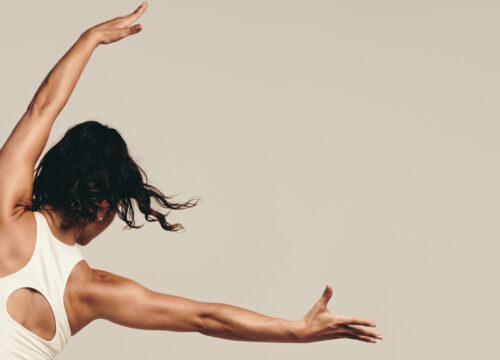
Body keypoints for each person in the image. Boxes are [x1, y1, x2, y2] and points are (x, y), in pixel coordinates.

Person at [0, 2, 382, 358]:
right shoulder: (90, 290)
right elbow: (205, 318)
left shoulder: (8, 218)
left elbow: (41, 111)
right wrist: (295, 330)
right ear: (103, 205)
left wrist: (90, 39)